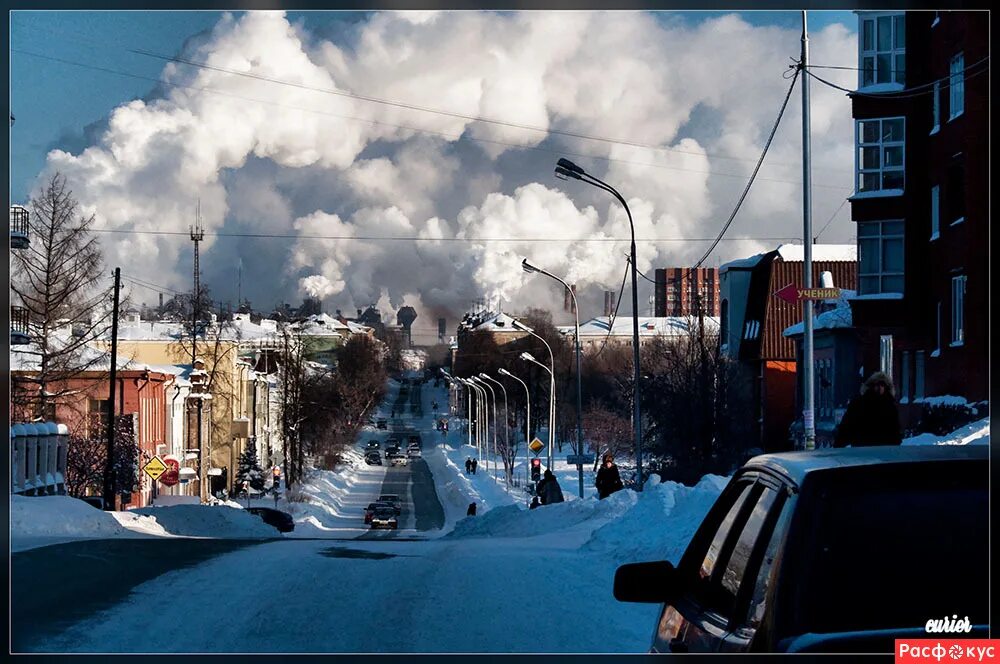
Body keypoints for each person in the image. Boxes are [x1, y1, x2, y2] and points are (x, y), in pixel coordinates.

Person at [834, 371, 902, 448]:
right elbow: (846, 427)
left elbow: (895, 430)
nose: (879, 388)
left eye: (882, 385)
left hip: (884, 452)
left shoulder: (890, 406)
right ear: (871, 386)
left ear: (886, 387)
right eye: (876, 385)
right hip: (863, 451)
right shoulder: (859, 404)